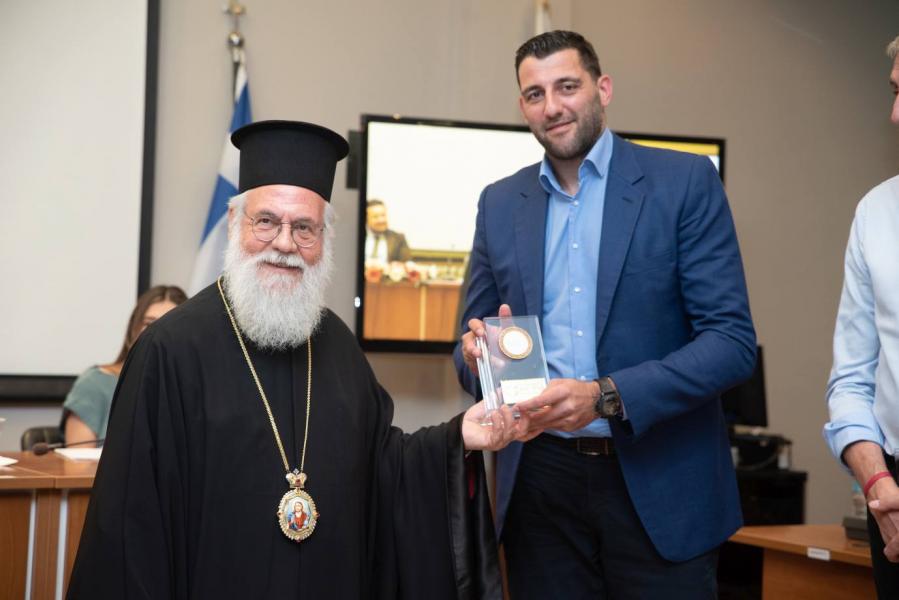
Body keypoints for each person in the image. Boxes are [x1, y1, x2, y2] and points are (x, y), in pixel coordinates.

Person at [67, 120, 531, 600]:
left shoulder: (338, 346)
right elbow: (130, 528)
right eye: (266, 221)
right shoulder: (169, 351)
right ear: (235, 223)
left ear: (323, 237)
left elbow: (383, 467)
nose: (285, 243)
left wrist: (458, 437)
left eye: (304, 227)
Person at [454, 31, 756, 598]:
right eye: (535, 94)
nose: (553, 106)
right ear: (523, 106)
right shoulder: (500, 202)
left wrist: (604, 397)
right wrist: (478, 358)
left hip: (661, 480)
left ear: (603, 88)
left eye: (567, 86)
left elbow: (731, 342)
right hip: (540, 489)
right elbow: (468, 345)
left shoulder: (684, 183)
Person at [824, 35, 899, 598]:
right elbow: (852, 381)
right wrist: (877, 483)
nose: (894, 116)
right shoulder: (876, 212)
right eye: (895, 92)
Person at [61, 285, 187, 447]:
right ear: (133, 328)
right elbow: (77, 460)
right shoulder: (95, 384)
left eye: (169, 325)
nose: (157, 334)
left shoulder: (189, 390)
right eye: (149, 324)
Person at [365, 199, 412, 263]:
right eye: (375, 217)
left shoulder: (398, 238)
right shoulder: (355, 237)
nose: (381, 220)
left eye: (383, 215)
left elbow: (406, 263)